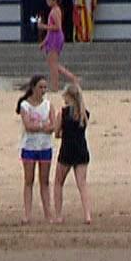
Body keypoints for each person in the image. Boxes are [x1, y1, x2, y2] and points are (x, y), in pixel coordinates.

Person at [52, 82, 93, 225]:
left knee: (58, 182)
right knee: (82, 184)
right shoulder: (84, 114)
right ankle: (87, 214)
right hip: (81, 149)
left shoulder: (63, 114)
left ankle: (58, 215)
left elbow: (57, 133)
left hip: (67, 150)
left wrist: (63, 132)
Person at [15, 76, 54, 225]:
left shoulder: (48, 105)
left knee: (44, 181)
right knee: (28, 181)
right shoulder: (25, 105)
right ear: (33, 88)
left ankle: (48, 214)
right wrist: (42, 126)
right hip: (29, 147)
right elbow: (28, 126)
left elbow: (53, 126)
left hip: (45, 146)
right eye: (40, 87)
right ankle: (27, 214)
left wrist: (42, 127)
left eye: (45, 87)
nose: (43, 91)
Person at [38, 0, 72, 97]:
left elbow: (57, 27)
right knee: (53, 63)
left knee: (53, 64)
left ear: (53, 0)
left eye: (48, 0)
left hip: (56, 38)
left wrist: (43, 26)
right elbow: (50, 32)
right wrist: (44, 42)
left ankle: (55, 86)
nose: (47, 2)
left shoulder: (55, 11)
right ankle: (72, 78)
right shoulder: (53, 11)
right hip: (52, 38)